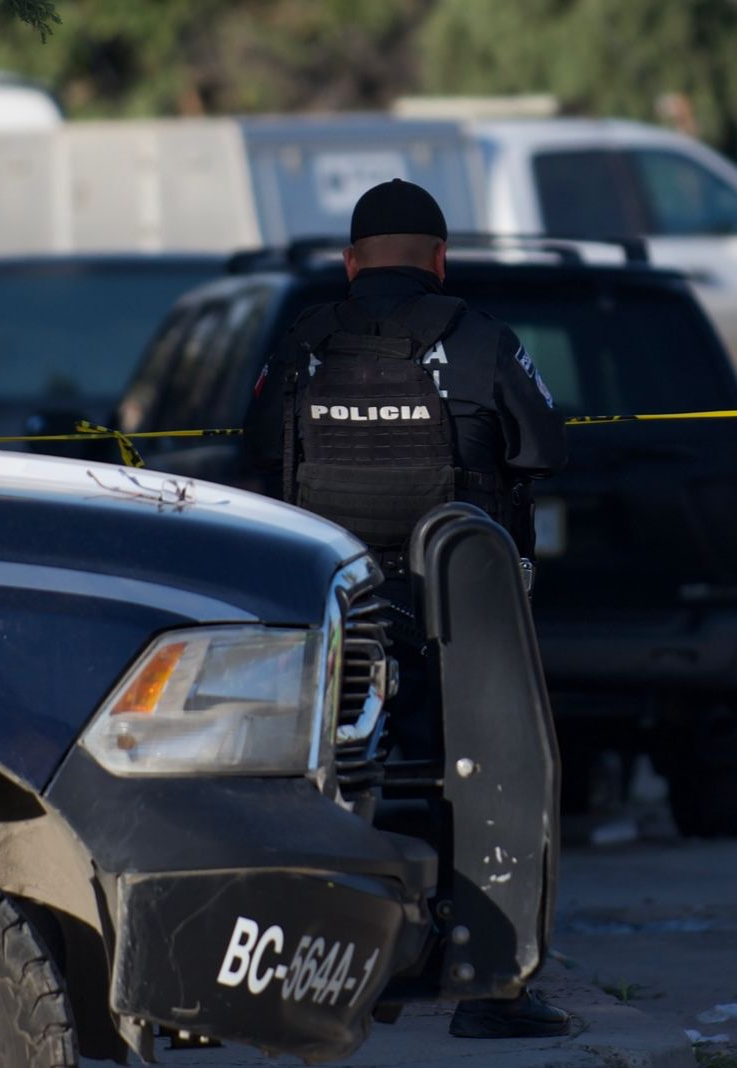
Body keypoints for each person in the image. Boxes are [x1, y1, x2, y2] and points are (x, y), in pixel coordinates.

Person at [243, 179, 570, 1039]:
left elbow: (255, 464)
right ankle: (488, 989)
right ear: (440, 259)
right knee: (487, 774)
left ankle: (328, 976)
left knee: (326, 780)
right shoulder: (481, 340)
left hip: (330, 612)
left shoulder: (303, 344)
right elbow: (543, 450)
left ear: (350, 264)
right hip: (453, 612)